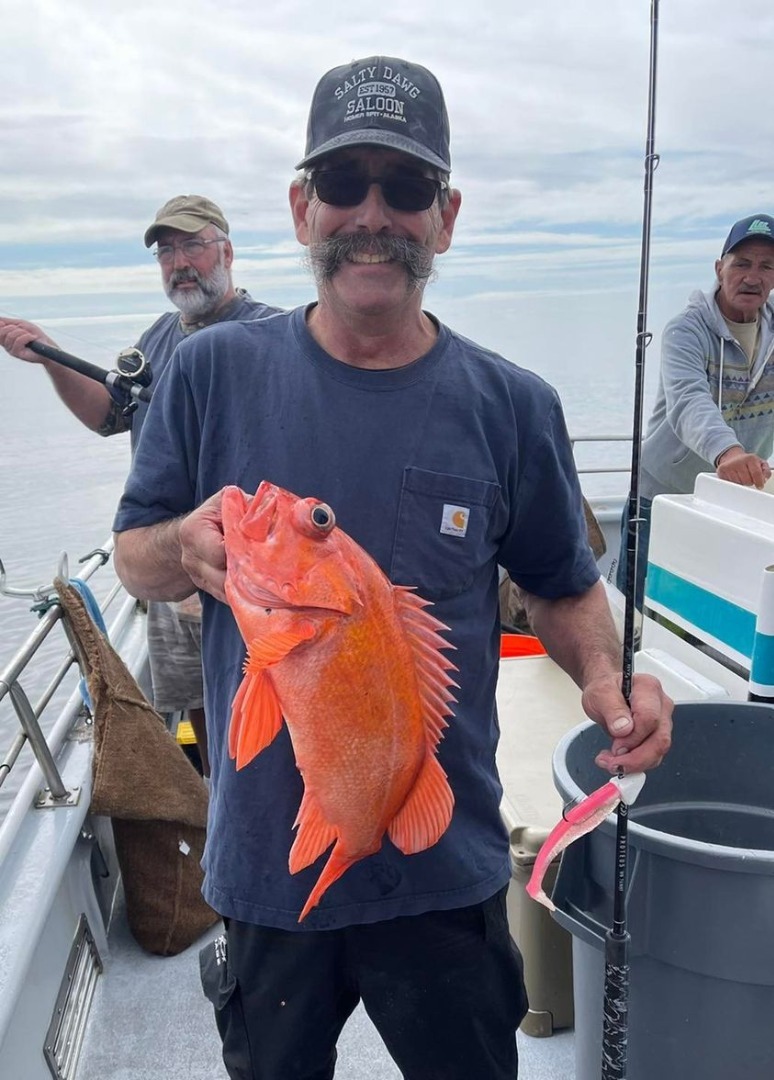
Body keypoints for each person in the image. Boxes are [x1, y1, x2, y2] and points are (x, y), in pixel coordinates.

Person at [112, 57, 673, 1080]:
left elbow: (561, 584)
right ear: (300, 208)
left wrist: (604, 678)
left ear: (446, 216)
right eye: (344, 184)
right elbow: (136, 554)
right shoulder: (207, 373)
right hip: (268, 871)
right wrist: (185, 549)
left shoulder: (514, 405)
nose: (373, 214)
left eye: (407, 189)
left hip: (445, 861)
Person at [0, 195, 279, 775]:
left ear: (226, 251)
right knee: (201, 712)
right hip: (168, 573)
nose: (180, 262)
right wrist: (50, 357)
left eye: (192, 246)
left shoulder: (272, 335)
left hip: (246, 579)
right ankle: (215, 805)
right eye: (167, 251)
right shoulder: (156, 337)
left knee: (265, 711)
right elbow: (108, 415)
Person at [617, 213, 774, 607]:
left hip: (731, 502)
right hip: (662, 498)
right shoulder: (686, 329)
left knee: (710, 613)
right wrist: (729, 452)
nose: (753, 277)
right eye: (742, 263)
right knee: (635, 618)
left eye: (766, 266)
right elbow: (689, 399)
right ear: (720, 268)